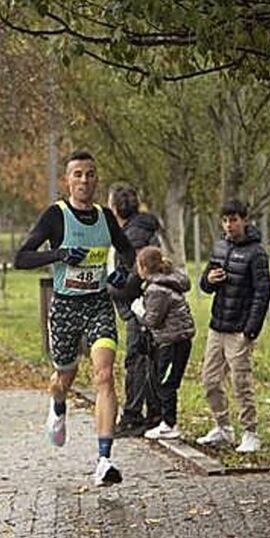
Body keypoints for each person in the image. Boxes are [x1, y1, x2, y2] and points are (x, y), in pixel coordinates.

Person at [14, 150, 134, 486]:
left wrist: (121, 274)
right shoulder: (55, 215)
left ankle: (104, 460)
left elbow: (128, 251)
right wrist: (61, 253)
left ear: (97, 180)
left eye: (90, 174)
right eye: (78, 174)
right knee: (63, 377)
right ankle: (58, 403)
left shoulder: (106, 217)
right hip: (65, 307)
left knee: (105, 375)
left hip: (97, 305)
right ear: (67, 180)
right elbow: (20, 259)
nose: (84, 180)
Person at [195, 199, 270, 453]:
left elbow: (263, 293)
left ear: (244, 220)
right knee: (209, 379)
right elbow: (204, 285)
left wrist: (251, 329)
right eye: (225, 220)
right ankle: (223, 427)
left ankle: (250, 432)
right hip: (218, 325)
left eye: (234, 219)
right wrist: (209, 279)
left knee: (241, 382)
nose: (229, 225)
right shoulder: (219, 246)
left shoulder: (257, 252)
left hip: (240, 328)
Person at [107, 183, 163, 437]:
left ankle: (134, 416)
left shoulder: (134, 234)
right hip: (146, 305)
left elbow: (138, 275)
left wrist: (112, 289)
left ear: (116, 207)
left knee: (137, 359)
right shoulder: (136, 229)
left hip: (141, 307)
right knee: (147, 359)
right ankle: (153, 413)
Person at [135, 246, 195, 440]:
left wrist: (138, 310)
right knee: (164, 381)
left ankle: (170, 424)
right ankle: (166, 421)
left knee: (165, 383)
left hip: (172, 342)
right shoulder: (167, 281)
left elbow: (153, 320)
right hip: (176, 340)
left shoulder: (156, 289)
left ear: (144, 267)